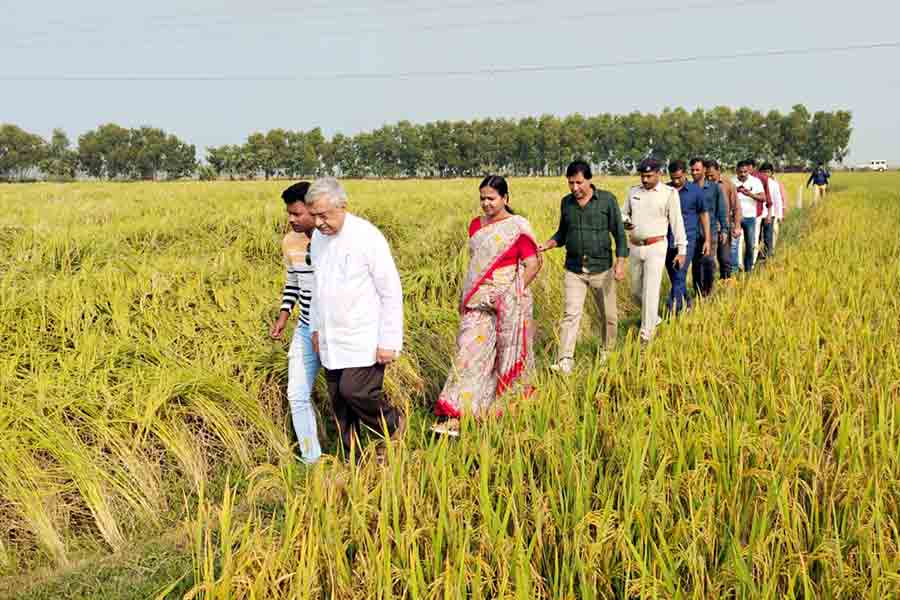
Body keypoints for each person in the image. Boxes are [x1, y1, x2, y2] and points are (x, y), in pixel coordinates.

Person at [432, 176, 541, 435]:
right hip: (477, 303)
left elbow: (533, 264)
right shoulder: (475, 226)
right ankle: (458, 413)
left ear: (505, 198)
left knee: (506, 356)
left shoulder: (517, 227)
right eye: (482, 198)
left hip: (508, 303)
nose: (486, 203)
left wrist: (510, 294)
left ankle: (503, 410)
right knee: (468, 356)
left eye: (491, 198)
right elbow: (475, 266)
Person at [305, 177, 405, 459]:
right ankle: (355, 459)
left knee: (355, 391)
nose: (319, 222)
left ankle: (393, 423)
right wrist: (315, 328)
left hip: (364, 335)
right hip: (330, 334)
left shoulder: (367, 236)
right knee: (339, 403)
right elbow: (317, 287)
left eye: (324, 215)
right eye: (314, 216)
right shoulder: (318, 240)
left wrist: (389, 341)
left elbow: (390, 291)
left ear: (343, 206)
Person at [540, 160, 627, 374]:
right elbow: (562, 233)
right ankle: (565, 360)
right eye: (570, 183)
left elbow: (619, 233)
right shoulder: (566, 203)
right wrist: (548, 244)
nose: (575, 188)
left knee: (608, 315)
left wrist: (621, 263)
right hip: (574, 269)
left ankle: (607, 351)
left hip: (602, 268)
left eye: (579, 182)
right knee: (571, 314)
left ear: (589, 179)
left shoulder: (607, 200)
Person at [268, 181, 322, 463]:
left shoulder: (333, 239)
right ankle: (312, 459)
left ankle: (358, 450)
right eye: (288, 213)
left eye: (296, 213)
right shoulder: (290, 242)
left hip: (335, 329)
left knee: (346, 394)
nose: (291, 219)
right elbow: (293, 282)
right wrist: (283, 316)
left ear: (314, 210)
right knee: (296, 394)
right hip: (304, 327)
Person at [623, 159, 687, 343]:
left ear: (659, 174)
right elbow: (623, 212)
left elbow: (677, 222)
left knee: (651, 290)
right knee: (636, 291)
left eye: (649, 176)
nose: (645, 179)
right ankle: (654, 318)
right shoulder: (633, 192)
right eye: (642, 176)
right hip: (635, 246)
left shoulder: (669, 194)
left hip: (656, 247)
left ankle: (646, 334)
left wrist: (682, 249)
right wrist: (625, 220)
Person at [664, 160, 709, 313]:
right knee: (675, 276)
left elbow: (704, 215)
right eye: (673, 178)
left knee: (679, 274)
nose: (676, 181)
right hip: (667, 240)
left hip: (688, 240)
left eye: (679, 178)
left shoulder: (696, 191)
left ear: (685, 173)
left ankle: (672, 311)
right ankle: (687, 302)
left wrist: (707, 240)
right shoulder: (665, 190)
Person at [689, 158, 727, 297]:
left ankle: (708, 292)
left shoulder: (714, 188)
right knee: (696, 265)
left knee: (708, 262)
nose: (694, 172)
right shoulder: (688, 188)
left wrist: (724, 229)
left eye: (697, 170)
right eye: (692, 170)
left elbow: (721, 210)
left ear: (704, 170)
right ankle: (698, 292)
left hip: (710, 232)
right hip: (692, 233)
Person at [704, 159, 741, 280]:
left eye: (712, 175)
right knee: (709, 260)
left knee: (725, 258)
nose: (709, 178)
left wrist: (737, 226)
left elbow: (736, 207)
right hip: (709, 228)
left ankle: (726, 282)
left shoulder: (728, 184)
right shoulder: (703, 186)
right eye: (707, 176)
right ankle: (709, 285)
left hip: (725, 226)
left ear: (719, 171)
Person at [732, 160, 767, 273]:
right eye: (740, 172)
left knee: (750, 244)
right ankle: (734, 270)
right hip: (734, 218)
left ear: (749, 171)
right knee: (734, 246)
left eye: (745, 172)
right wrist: (736, 191)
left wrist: (750, 194)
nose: (742, 174)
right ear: (736, 171)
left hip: (750, 217)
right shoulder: (732, 181)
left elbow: (763, 198)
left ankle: (748, 270)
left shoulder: (755, 182)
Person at [758, 163, 785, 260]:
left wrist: (780, 216)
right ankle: (758, 254)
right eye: (763, 171)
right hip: (758, 214)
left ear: (771, 173)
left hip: (770, 214)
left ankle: (768, 256)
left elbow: (777, 200)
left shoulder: (774, 184)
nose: (765, 174)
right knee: (757, 236)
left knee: (768, 236)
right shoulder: (757, 182)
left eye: (768, 172)